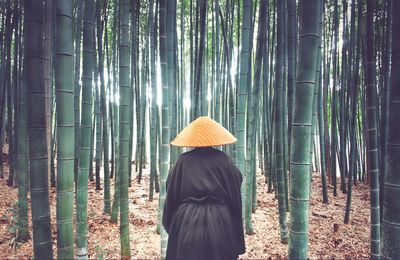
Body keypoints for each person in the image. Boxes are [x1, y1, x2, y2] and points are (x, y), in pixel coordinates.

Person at [162, 116, 246, 260]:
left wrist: (173, 224)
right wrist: (234, 226)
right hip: (220, 220)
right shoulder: (224, 160)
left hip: (186, 220)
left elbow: (171, 192)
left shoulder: (183, 161)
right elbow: (235, 191)